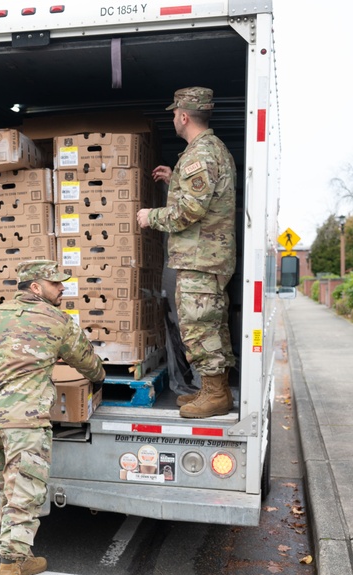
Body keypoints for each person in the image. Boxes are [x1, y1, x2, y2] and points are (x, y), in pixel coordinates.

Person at [0, 260, 105, 575]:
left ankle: (21, 560)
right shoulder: (57, 322)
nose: (63, 289)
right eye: (56, 284)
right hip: (27, 423)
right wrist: (100, 378)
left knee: (8, 492)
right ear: (36, 287)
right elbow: (89, 365)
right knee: (25, 499)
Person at [136, 87, 237, 419]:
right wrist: (173, 178)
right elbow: (198, 197)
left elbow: (188, 212)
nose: (173, 119)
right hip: (206, 256)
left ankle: (216, 393)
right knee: (209, 323)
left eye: (173, 114)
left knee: (199, 325)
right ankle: (212, 389)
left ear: (183, 116)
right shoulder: (206, 152)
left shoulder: (200, 154)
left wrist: (151, 216)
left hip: (200, 258)